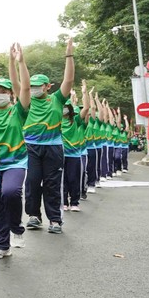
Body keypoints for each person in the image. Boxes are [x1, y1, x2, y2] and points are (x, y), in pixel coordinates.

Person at [20, 41, 75, 234]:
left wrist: (69, 56)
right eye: (32, 85)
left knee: (52, 183)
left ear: (48, 86)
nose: (34, 88)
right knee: (32, 181)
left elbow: (68, 81)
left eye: (38, 86)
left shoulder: (57, 100)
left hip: (53, 147)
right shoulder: (25, 101)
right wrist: (20, 62)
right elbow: (21, 84)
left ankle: (55, 219)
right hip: (31, 147)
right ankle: (34, 215)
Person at [0, 45, 29, 258]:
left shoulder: (17, 112)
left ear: (10, 94)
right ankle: (2, 244)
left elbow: (24, 89)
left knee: (10, 192)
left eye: (3, 92)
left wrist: (16, 62)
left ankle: (16, 228)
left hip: (15, 162)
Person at [61, 83, 90, 213]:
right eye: (62, 107)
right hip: (60, 155)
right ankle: (64, 202)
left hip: (74, 155)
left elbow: (86, 108)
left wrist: (84, 93)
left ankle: (74, 202)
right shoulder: (56, 120)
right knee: (63, 180)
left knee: (73, 178)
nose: (64, 109)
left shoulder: (76, 121)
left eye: (66, 107)